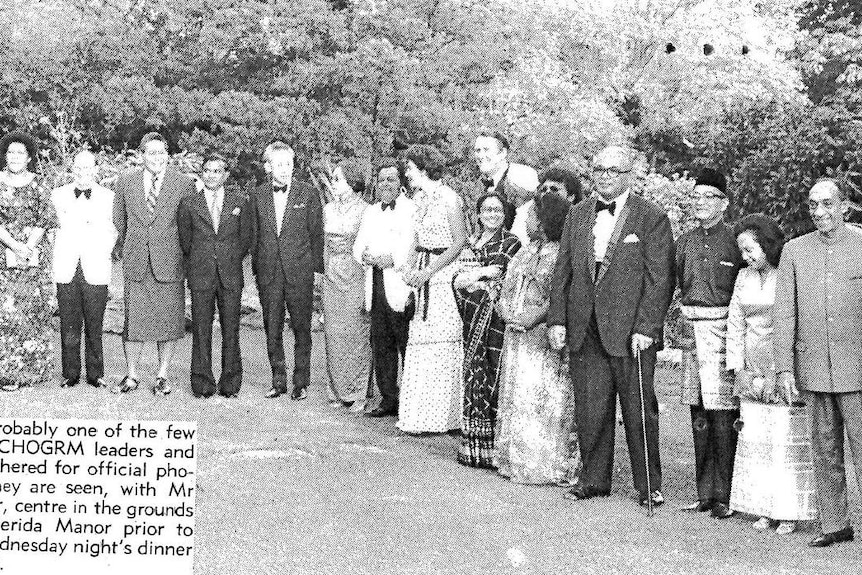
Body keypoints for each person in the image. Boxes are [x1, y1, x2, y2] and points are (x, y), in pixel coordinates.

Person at [547, 145, 674, 507]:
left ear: (629, 174)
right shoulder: (577, 214)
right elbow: (564, 272)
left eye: (613, 170)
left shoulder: (651, 217)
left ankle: (648, 484)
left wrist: (647, 327)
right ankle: (594, 478)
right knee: (591, 407)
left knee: (638, 409)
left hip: (631, 330)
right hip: (584, 325)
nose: (604, 176)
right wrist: (558, 319)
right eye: (599, 169)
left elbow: (659, 278)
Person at [774, 178, 862, 547]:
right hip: (812, 368)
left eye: (827, 204)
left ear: (844, 207)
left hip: (856, 368)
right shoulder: (795, 250)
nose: (819, 212)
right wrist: (783, 367)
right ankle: (835, 524)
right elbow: (784, 314)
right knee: (824, 449)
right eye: (813, 205)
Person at [725, 213, 816, 534]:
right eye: (742, 252)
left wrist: (783, 370)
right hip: (751, 364)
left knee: (782, 440)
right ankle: (762, 508)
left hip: (782, 364)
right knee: (757, 440)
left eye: (751, 250)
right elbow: (735, 323)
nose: (746, 257)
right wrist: (739, 369)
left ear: (767, 244)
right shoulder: (743, 278)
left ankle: (787, 511)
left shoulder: (788, 273)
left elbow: (796, 323)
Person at [496, 193, 581, 484]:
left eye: (531, 215)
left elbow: (561, 294)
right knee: (518, 395)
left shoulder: (561, 254)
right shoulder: (524, 251)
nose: (526, 220)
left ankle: (544, 464)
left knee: (542, 397)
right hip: (517, 334)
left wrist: (536, 317)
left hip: (542, 336)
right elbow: (507, 286)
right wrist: (506, 310)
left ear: (545, 222)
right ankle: (516, 459)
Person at [675, 168, 743, 519]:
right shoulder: (683, 241)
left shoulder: (734, 240)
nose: (701, 203)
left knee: (723, 415)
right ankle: (704, 493)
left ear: (723, 202)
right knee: (698, 413)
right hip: (690, 332)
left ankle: (726, 495)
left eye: (709, 197)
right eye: (696, 196)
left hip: (723, 333)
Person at [112, 132, 195, 396]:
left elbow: (188, 223)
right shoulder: (126, 182)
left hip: (169, 261)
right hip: (136, 260)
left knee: (168, 321)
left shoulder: (183, 183)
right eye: (151, 152)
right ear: (142, 155)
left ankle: (162, 375)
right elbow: (119, 221)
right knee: (133, 321)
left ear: (167, 155)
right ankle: (132, 374)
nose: (156, 157)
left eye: (161, 152)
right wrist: (130, 247)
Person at [397, 144, 467, 433]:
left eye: (410, 168)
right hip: (423, 270)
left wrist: (428, 271)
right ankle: (420, 415)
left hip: (443, 273)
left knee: (442, 339)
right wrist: (409, 269)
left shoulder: (450, 198)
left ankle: (443, 417)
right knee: (420, 336)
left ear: (425, 169)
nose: (407, 174)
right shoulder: (419, 199)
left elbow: (460, 240)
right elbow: (416, 238)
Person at [249, 142, 323, 400]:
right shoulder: (257, 194)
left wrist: (316, 272)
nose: (284, 170)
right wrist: (258, 271)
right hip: (269, 274)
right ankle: (278, 379)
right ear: (268, 167)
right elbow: (254, 235)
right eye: (278, 164)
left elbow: (316, 236)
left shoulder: (309, 193)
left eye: (288, 164)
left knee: (302, 328)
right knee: (272, 327)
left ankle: (301, 382)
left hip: (299, 273)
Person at [452, 192, 521, 467]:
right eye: (487, 210)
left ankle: (494, 450)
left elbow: (499, 273)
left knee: (493, 372)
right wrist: (474, 277)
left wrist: (475, 276)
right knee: (473, 374)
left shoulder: (511, 242)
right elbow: (457, 279)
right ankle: (473, 449)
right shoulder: (469, 243)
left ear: (505, 214)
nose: (492, 214)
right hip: (470, 320)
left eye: (497, 210)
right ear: (478, 214)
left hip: (493, 321)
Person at [178, 154, 252, 398]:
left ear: (226, 174)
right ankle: (202, 383)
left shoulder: (240, 201)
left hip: (230, 274)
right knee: (201, 329)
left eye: (217, 170)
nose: (211, 175)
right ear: (202, 174)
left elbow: (245, 240)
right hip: (201, 275)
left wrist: (227, 258)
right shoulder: (189, 203)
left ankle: (230, 383)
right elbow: (186, 242)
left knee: (231, 329)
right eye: (207, 170)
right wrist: (204, 260)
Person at [353, 160, 415, 418]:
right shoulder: (371, 212)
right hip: (375, 282)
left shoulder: (411, 209)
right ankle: (388, 398)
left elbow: (413, 243)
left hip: (400, 284)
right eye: (381, 180)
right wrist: (364, 256)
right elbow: (358, 245)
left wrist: (394, 259)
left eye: (391, 179)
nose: (385, 184)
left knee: (406, 343)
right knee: (381, 344)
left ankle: (411, 403)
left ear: (400, 182)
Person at [51, 150, 115, 389]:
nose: (83, 173)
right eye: (78, 168)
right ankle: (70, 373)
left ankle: (96, 374)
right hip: (66, 267)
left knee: (94, 324)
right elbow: (53, 231)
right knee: (68, 323)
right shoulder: (57, 195)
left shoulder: (109, 197)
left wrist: (102, 252)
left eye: (87, 168)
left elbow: (114, 231)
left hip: (95, 267)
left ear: (96, 170)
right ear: (72, 169)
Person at [0, 131, 57, 392]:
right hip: (3, 257)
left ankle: (34, 372)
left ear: (29, 157)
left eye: (20, 153)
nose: (14, 157)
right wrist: (13, 244)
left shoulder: (40, 184)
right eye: (11, 152)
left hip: (34, 259)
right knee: (7, 315)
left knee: (32, 312)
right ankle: (8, 373)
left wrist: (27, 247)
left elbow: (44, 219)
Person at [317, 161, 370, 412]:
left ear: (353, 183)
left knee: (357, 332)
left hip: (356, 272)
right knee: (334, 334)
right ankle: (338, 390)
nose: (334, 184)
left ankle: (358, 392)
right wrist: (324, 275)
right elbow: (325, 246)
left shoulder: (366, 211)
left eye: (339, 179)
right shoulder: (327, 209)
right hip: (332, 274)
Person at [473, 131, 538, 245]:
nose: (480, 156)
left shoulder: (521, 174)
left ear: (502, 153)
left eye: (486, 149)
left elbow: (527, 218)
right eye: (478, 150)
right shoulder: (482, 185)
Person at [510, 164, 584, 248]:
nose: (547, 193)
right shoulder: (532, 215)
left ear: (571, 197)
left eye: (554, 189)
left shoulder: (579, 228)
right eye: (543, 190)